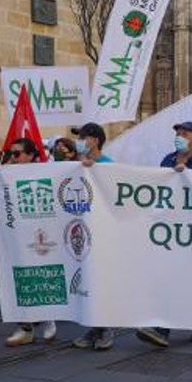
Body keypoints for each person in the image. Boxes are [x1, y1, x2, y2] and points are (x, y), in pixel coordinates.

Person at [136, 121, 192, 348]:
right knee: (169, 275)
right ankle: (161, 329)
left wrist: (189, 176)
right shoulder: (168, 160)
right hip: (171, 230)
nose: (179, 136)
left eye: (184, 133)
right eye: (177, 132)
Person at [2, 138, 60, 346]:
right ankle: (25, 326)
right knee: (18, 277)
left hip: (41, 232)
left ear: (30, 155)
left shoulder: (47, 173)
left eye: (16, 154)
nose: (12, 158)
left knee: (43, 274)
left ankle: (48, 317)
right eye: (11, 154)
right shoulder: (6, 174)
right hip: (16, 234)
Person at [71, 123, 118, 351]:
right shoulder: (76, 166)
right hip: (82, 232)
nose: (79, 140)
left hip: (103, 232)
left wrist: (94, 170)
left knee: (102, 279)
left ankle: (106, 327)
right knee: (88, 280)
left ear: (96, 140)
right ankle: (94, 327)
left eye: (83, 137)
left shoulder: (107, 165)